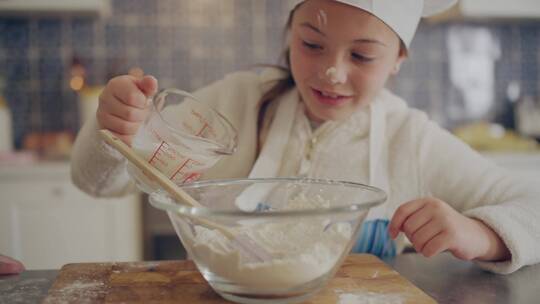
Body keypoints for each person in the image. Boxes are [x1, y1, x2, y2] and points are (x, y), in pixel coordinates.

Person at [71, 0, 540, 274]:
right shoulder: (235, 102)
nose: (332, 72)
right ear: (289, 32)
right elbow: (95, 183)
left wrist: (480, 234)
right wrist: (116, 127)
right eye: (311, 45)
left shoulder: (411, 140)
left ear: (398, 58)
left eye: (362, 55)